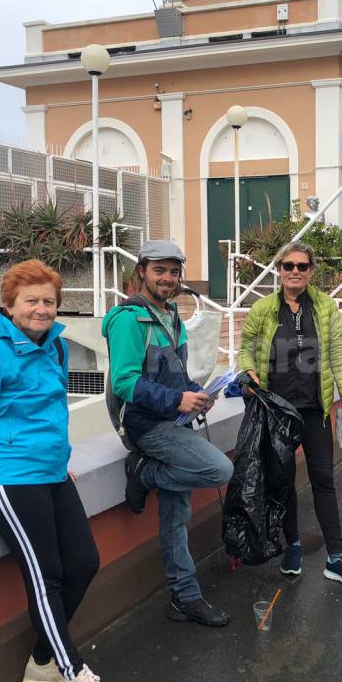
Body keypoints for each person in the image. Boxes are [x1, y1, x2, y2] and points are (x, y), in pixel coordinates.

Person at [0, 259, 119, 682]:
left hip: (50, 473)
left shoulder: (54, 347)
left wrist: (58, 462)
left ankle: (41, 661)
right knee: (47, 578)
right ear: (10, 305)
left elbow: (48, 414)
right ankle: (71, 673)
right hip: (5, 478)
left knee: (84, 563)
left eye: (49, 301)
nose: (41, 309)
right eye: (31, 301)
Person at [103, 240, 234, 627]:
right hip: (144, 425)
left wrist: (194, 395)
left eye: (174, 271)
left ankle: (185, 597)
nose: (168, 278)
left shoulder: (171, 313)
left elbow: (173, 372)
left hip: (171, 419)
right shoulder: (128, 319)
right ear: (141, 271)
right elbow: (125, 382)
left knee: (176, 513)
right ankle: (143, 472)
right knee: (219, 471)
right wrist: (177, 400)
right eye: (159, 269)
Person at [236, 241, 342, 588]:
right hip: (276, 410)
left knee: (323, 479)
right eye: (288, 266)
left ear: (311, 271)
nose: (295, 271)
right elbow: (246, 347)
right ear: (279, 270)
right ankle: (291, 544)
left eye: (302, 266)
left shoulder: (324, 308)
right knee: (282, 481)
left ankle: (336, 556)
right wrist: (247, 370)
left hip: (313, 409)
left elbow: (339, 355)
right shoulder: (264, 308)